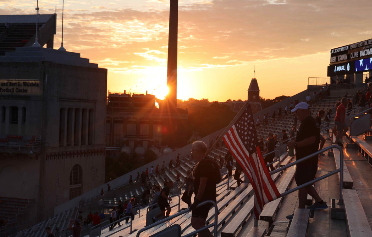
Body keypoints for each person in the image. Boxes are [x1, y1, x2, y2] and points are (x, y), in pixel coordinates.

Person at [287, 102, 327, 218]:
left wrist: (296, 144)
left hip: (307, 158)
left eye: (297, 112)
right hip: (307, 158)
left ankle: (300, 211)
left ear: (304, 111)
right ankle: (320, 203)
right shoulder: (309, 121)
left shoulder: (309, 122)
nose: (296, 114)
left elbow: (312, 139)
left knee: (302, 183)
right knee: (305, 183)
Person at [190, 141, 219, 237]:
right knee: (200, 224)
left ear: (197, 151)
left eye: (193, 150)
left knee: (196, 223)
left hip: (204, 198)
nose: (191, 152)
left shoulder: (204, 164)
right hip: (206, 197)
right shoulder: (205, 162)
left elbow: (203, 183)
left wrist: (197, 200)